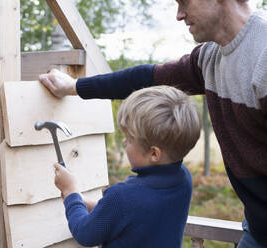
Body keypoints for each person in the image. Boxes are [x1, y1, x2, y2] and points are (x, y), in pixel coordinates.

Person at [40, 0, 267, 246]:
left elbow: (88, 232)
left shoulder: (262, 59)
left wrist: (72, 194)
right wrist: (74, 87)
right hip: (258, 226)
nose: (179, 15)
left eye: (184, 2)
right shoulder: (210, 57)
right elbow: (147, 78)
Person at [53, 86, 201, 247]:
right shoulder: (183, 179)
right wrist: (82, 201)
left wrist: (70, 192)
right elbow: (131, 214)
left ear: (154, 154)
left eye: (129, 139)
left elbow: (85, 233)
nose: (124, 142)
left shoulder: (121, 196)